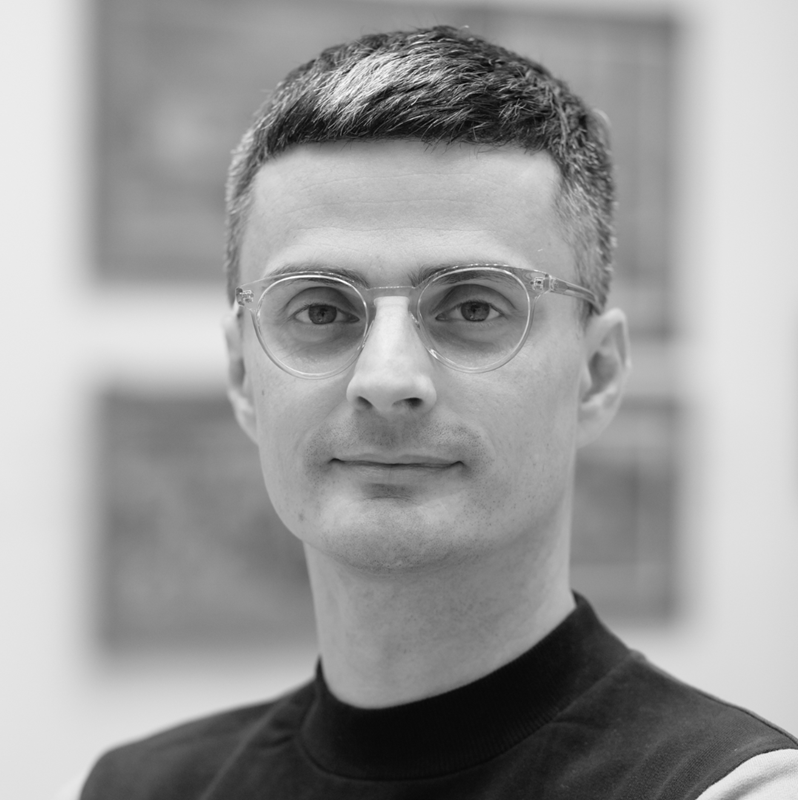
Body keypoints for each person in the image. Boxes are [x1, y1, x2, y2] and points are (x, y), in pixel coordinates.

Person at [78, 26, 798, 799]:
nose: (387, 379)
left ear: (597, 374)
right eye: (320, 311)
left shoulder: (726, 789)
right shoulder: (139, 787)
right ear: (241, 375)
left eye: (475, 306)